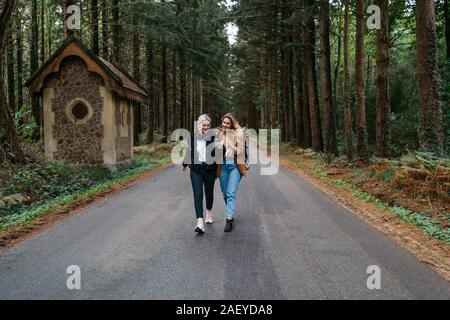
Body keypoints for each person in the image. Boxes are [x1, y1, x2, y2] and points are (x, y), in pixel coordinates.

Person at [182, 114, 217, 234]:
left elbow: (218, 152)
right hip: (196, 169)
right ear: (199, 125)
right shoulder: (192, 137)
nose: (206, 127)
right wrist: (185, 163)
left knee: (208, 192)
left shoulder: (214, 137)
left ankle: (208, 213)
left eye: (208, 125)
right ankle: (199, 222)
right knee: (197, 194)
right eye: (204, 125)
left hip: (210, 169)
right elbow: (189, 151)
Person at [216, 113, 248, 232]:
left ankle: (229, 219)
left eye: (227, 123)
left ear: (232, 124)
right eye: (224, 122)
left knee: (231, 192)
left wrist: (230, 145)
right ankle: (231, 211)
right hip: (223, 166)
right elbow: (214, 150)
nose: (225, 125)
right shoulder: (219, 134)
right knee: (225, 193)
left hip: (235, 166)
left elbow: (240, 151)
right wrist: (219, 145)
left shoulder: (238, 134)